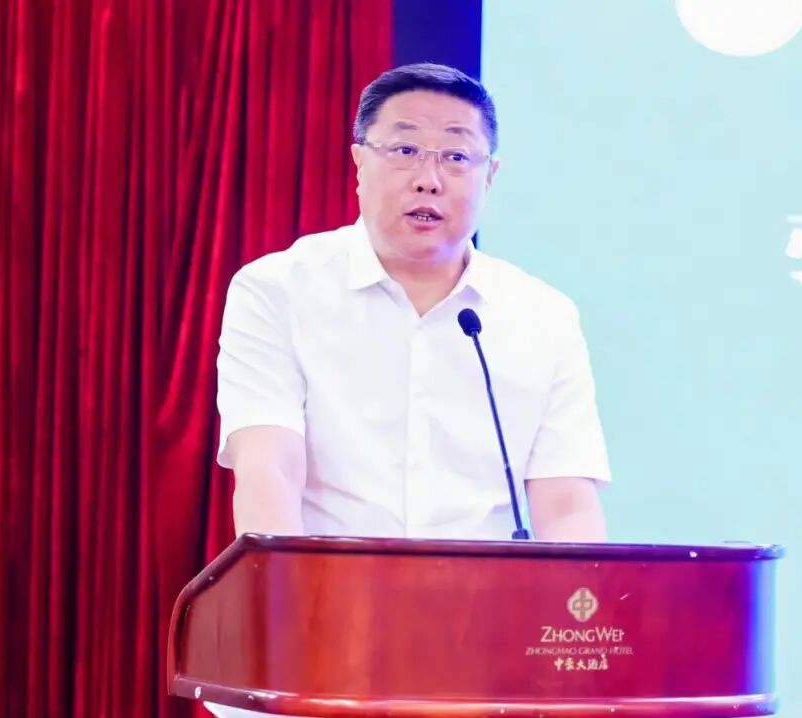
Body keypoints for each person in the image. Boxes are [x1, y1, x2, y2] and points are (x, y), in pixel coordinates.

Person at [216, 62, 609, 546]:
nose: (429, 180)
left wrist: (579, 596)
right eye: (405, 151)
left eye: (457, 157)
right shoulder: (277, 290)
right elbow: (270, 468)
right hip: (326, 589)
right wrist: (277, 591)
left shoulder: (544, 317)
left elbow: (567, 504)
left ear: (490, 176)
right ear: (359, 163)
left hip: (489, 594)